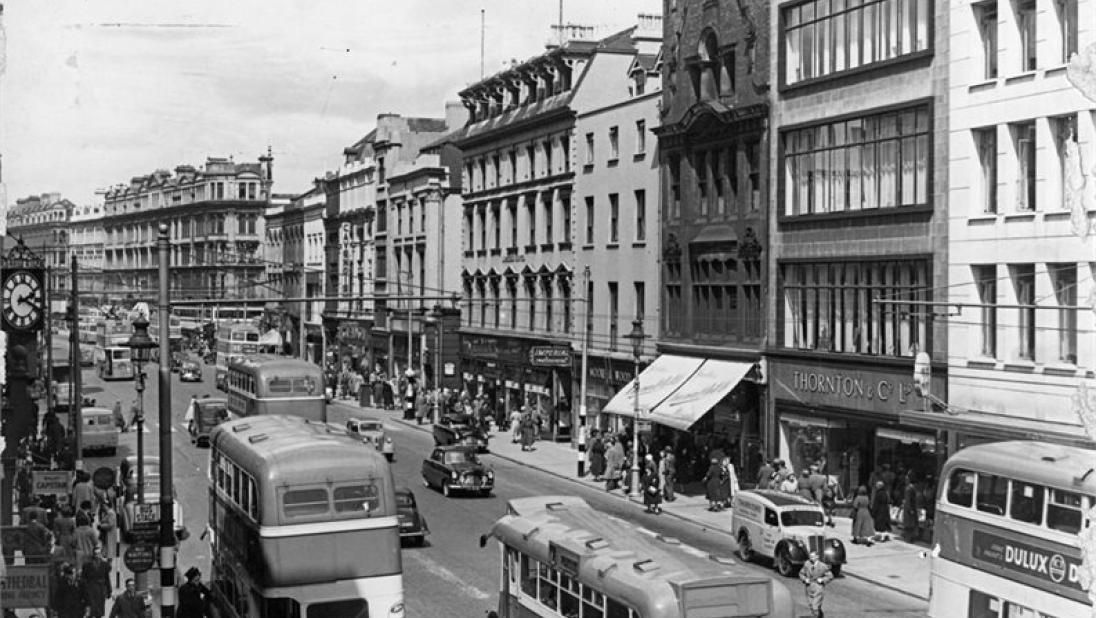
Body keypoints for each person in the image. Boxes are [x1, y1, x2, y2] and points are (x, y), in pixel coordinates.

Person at [798, 551, 834, 618]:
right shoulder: (807, 564)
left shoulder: (823, 566)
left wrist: (822, 580)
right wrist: (805, 579)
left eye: (812, 556)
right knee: (811, 605)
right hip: (809, 587)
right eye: (810, 556)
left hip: (818, 588)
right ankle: (819, 615)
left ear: (817, 557)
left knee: (815, 606)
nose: (811, 558)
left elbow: (830, 576)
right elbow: (801, 573)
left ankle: (816, 615)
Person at [81, 546, 112, 618]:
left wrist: (109, 591)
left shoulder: (104, 564)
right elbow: (83, 578)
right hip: (90, 589)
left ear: (101, 554)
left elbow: (107, 578)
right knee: (91, 609)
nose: (97, 555)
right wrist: (83, 590)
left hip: (101, 589)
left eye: (98, 553)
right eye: (95, 554)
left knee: (99, 610)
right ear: (93, 554)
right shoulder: (87, 565)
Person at [901, 471, 920, 542]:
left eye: (906, 479)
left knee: (909, 524)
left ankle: (908, 538)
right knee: (911, 524)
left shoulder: (908, 488)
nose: (905, 481)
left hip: (909, 509)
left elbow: (908, 500)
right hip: (910, 508)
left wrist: (909, 509)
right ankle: (909, 538)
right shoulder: (910, 488)